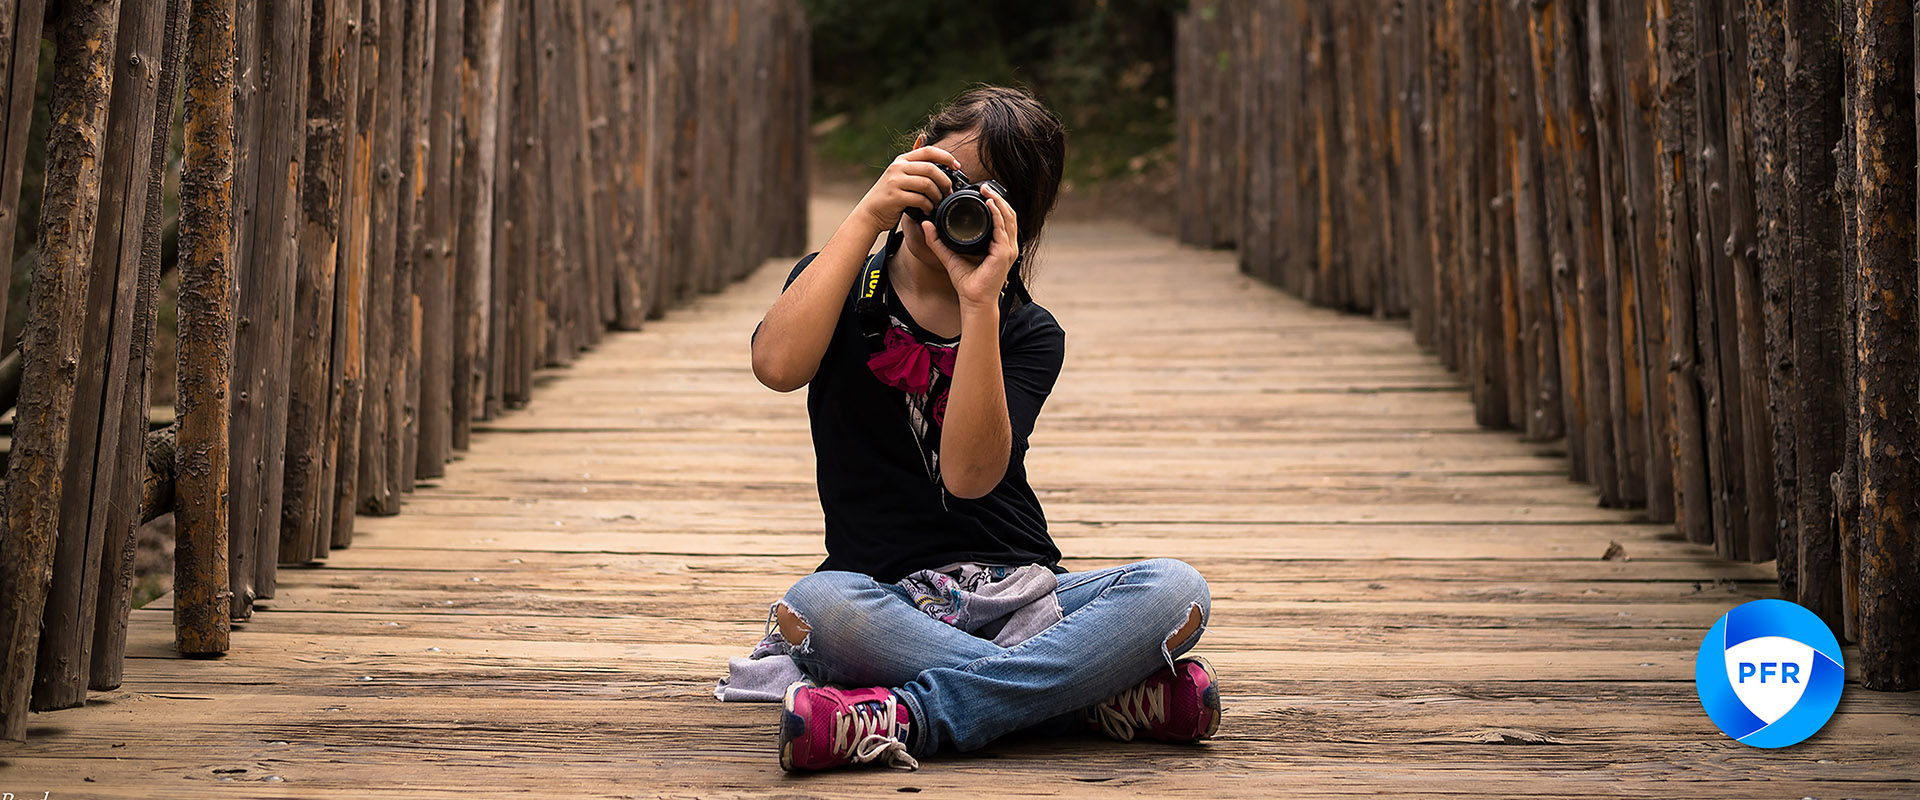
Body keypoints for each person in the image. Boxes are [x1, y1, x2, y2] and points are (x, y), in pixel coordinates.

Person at [746, 85, 1217, 772]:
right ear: (915, 156)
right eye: (944, 176)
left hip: (1021, 591)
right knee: (818, 606)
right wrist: (867, 212)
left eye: (978, 197)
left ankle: (909, 715)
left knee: (1178, 590)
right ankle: (1085, 699)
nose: (947, 205)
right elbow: (777, 366)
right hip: (882, 596)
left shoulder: (1026, 330)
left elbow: (969, 477)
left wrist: (980, 304)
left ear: (1012, 223)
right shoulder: (840, 284)